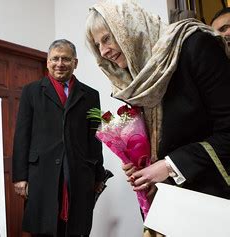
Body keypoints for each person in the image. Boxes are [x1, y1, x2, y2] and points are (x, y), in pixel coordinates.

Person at [85, 0, 230, 234]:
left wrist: (170, 166)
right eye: (97, 45)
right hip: (172, 205)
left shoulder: (194, 46)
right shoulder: (138, 80)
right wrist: (145, 166)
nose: (103, 51)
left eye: (107, 38)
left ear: (129, 27)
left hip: (215, 202)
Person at [12, 39, 106, 237]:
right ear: (47, 62)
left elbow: (95, 137)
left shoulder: (91, 95)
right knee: (44, 227)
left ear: (75, 63)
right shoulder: (31, 91)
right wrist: (20, 176)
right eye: (55, 58)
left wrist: (99, 174)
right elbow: (22, 134)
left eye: (66, 59)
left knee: (75, 227)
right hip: (42, 172)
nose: (60, 63)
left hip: (79, 171)